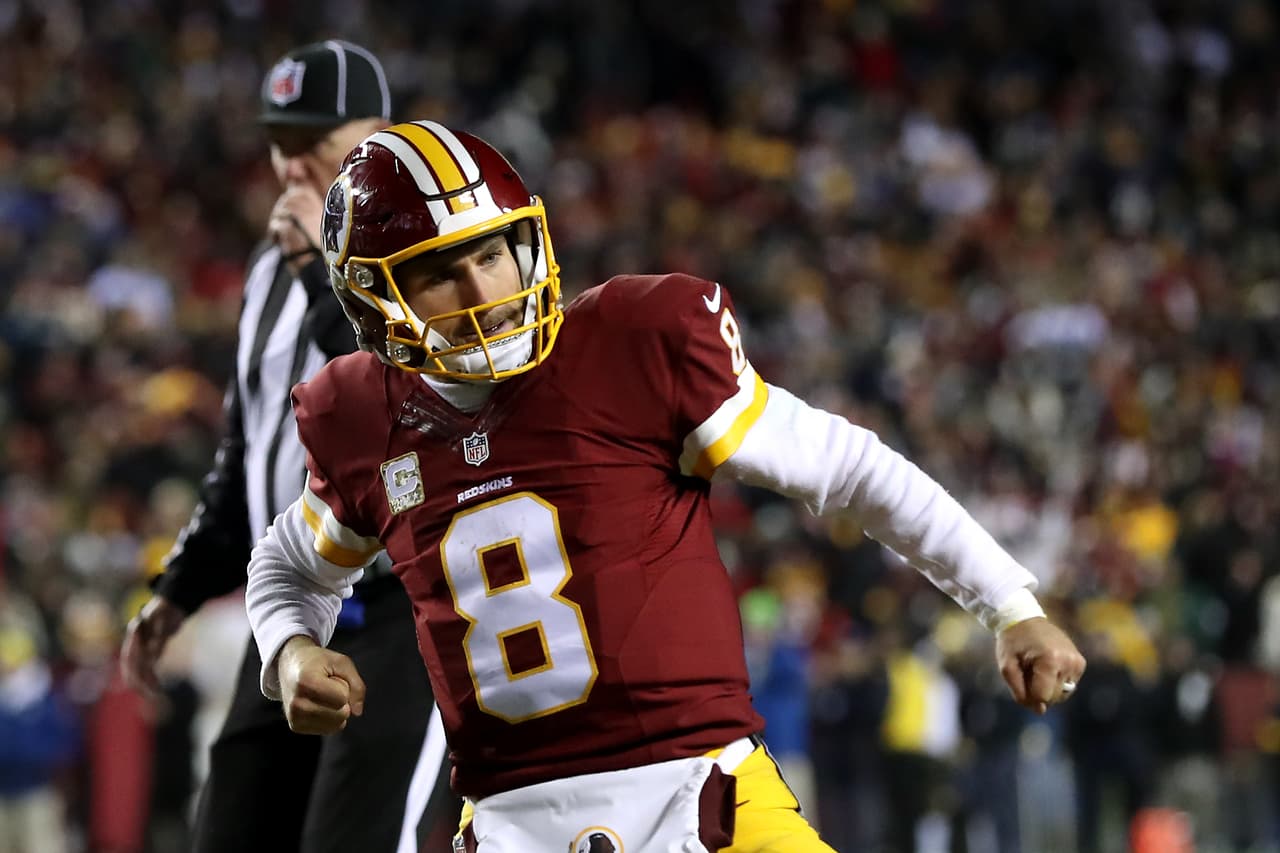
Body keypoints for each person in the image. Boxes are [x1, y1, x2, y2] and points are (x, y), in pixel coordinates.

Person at [243, 120, 1087, 851]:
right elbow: (286, 563)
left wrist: (1008, 603)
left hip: (701, 792)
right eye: (439, 272)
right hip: (509, 823)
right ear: (373, 302)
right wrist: (291, 649)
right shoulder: (360, 415)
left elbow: (848, 468)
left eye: (492, 253)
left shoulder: (633, 342)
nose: (485, 293)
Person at [120, 45, 456, 852]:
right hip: (295, 606)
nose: (294, 166)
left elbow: (424, 404)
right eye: (281, 143)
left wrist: (320, 271)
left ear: (378, 137)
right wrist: (179, 586)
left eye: (317, 143)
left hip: (399, 610)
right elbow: (249, 452)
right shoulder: (270, 268)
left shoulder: (433, 254)